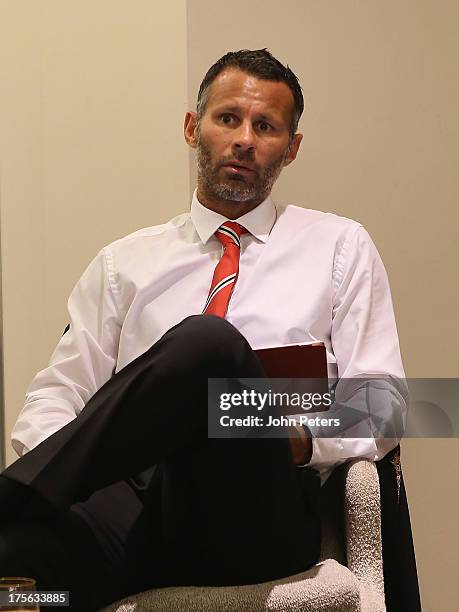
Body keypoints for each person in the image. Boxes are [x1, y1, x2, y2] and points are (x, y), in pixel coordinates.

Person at [0, 49, 407, 611]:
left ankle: (13, 494)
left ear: (291, 148)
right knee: (17, 564)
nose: (244, 139)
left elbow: (389, 405)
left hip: (254, 511)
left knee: (207, 345)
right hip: (137, 512)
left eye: (265, 127)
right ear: (194, 128)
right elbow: (56, 394)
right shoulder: (126, 262)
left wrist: (297, 432)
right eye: (227, 119)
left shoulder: (339, 246)